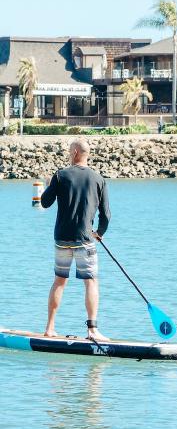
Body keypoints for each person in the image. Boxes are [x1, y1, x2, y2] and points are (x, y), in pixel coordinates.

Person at [41, 139, 111, 340]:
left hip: (62, 238)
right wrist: (100, 232)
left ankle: (50, 328)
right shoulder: (98, 179)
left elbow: (45, 203)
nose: (68, 153)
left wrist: (49, 185)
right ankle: (92, 330)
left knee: (59, 281)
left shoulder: (60, 175)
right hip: (85, 238)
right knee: (91, 281)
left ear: (75, 152)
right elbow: (106, 214)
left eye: (69, 151)